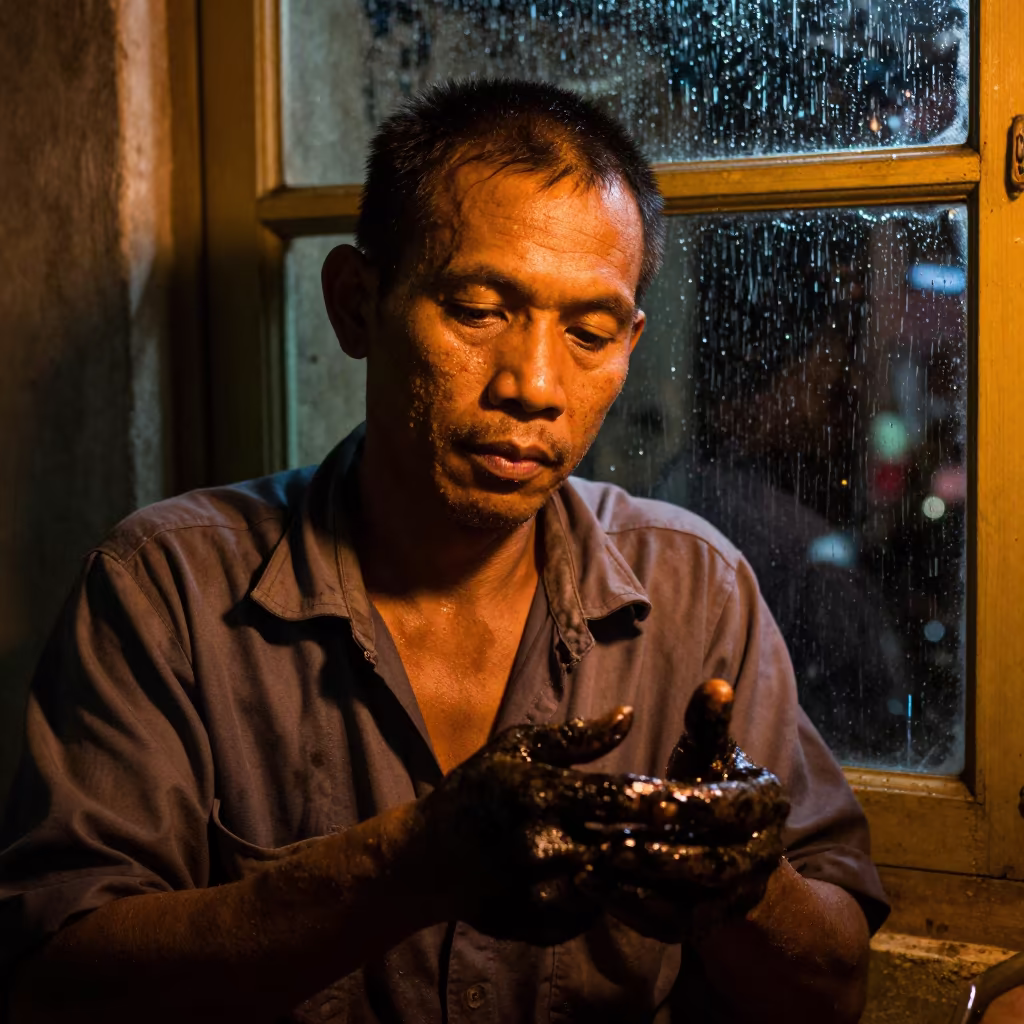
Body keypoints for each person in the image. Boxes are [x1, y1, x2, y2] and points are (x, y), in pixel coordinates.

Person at [0, 79, 888, 1023]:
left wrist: (745, 890)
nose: (535, 386)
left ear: (629, 343)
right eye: (476, 310)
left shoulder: (695, 590)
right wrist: (404, 865)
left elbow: (833, 989)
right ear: (356, 303)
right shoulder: (168, 592)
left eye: (588, 333)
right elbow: (55, 983)